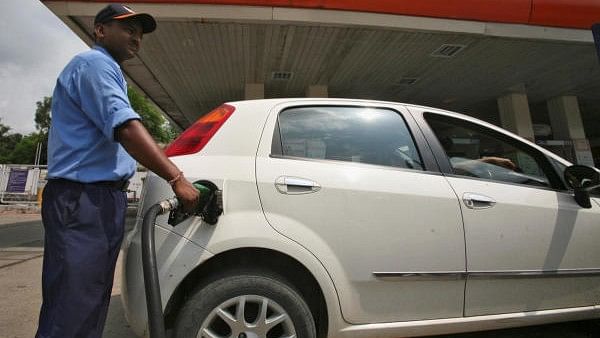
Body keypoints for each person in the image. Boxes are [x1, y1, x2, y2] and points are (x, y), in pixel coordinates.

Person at [35, 4, 199, 338]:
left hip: (98, 200)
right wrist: (177, 177)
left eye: (139, 33)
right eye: (127, 29)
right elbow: (126, 128)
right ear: (99, 30)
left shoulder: (107, 69)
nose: (136, 38)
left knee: (88, 298)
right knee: (74, 305)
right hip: (82, 200)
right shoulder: (94, 64)